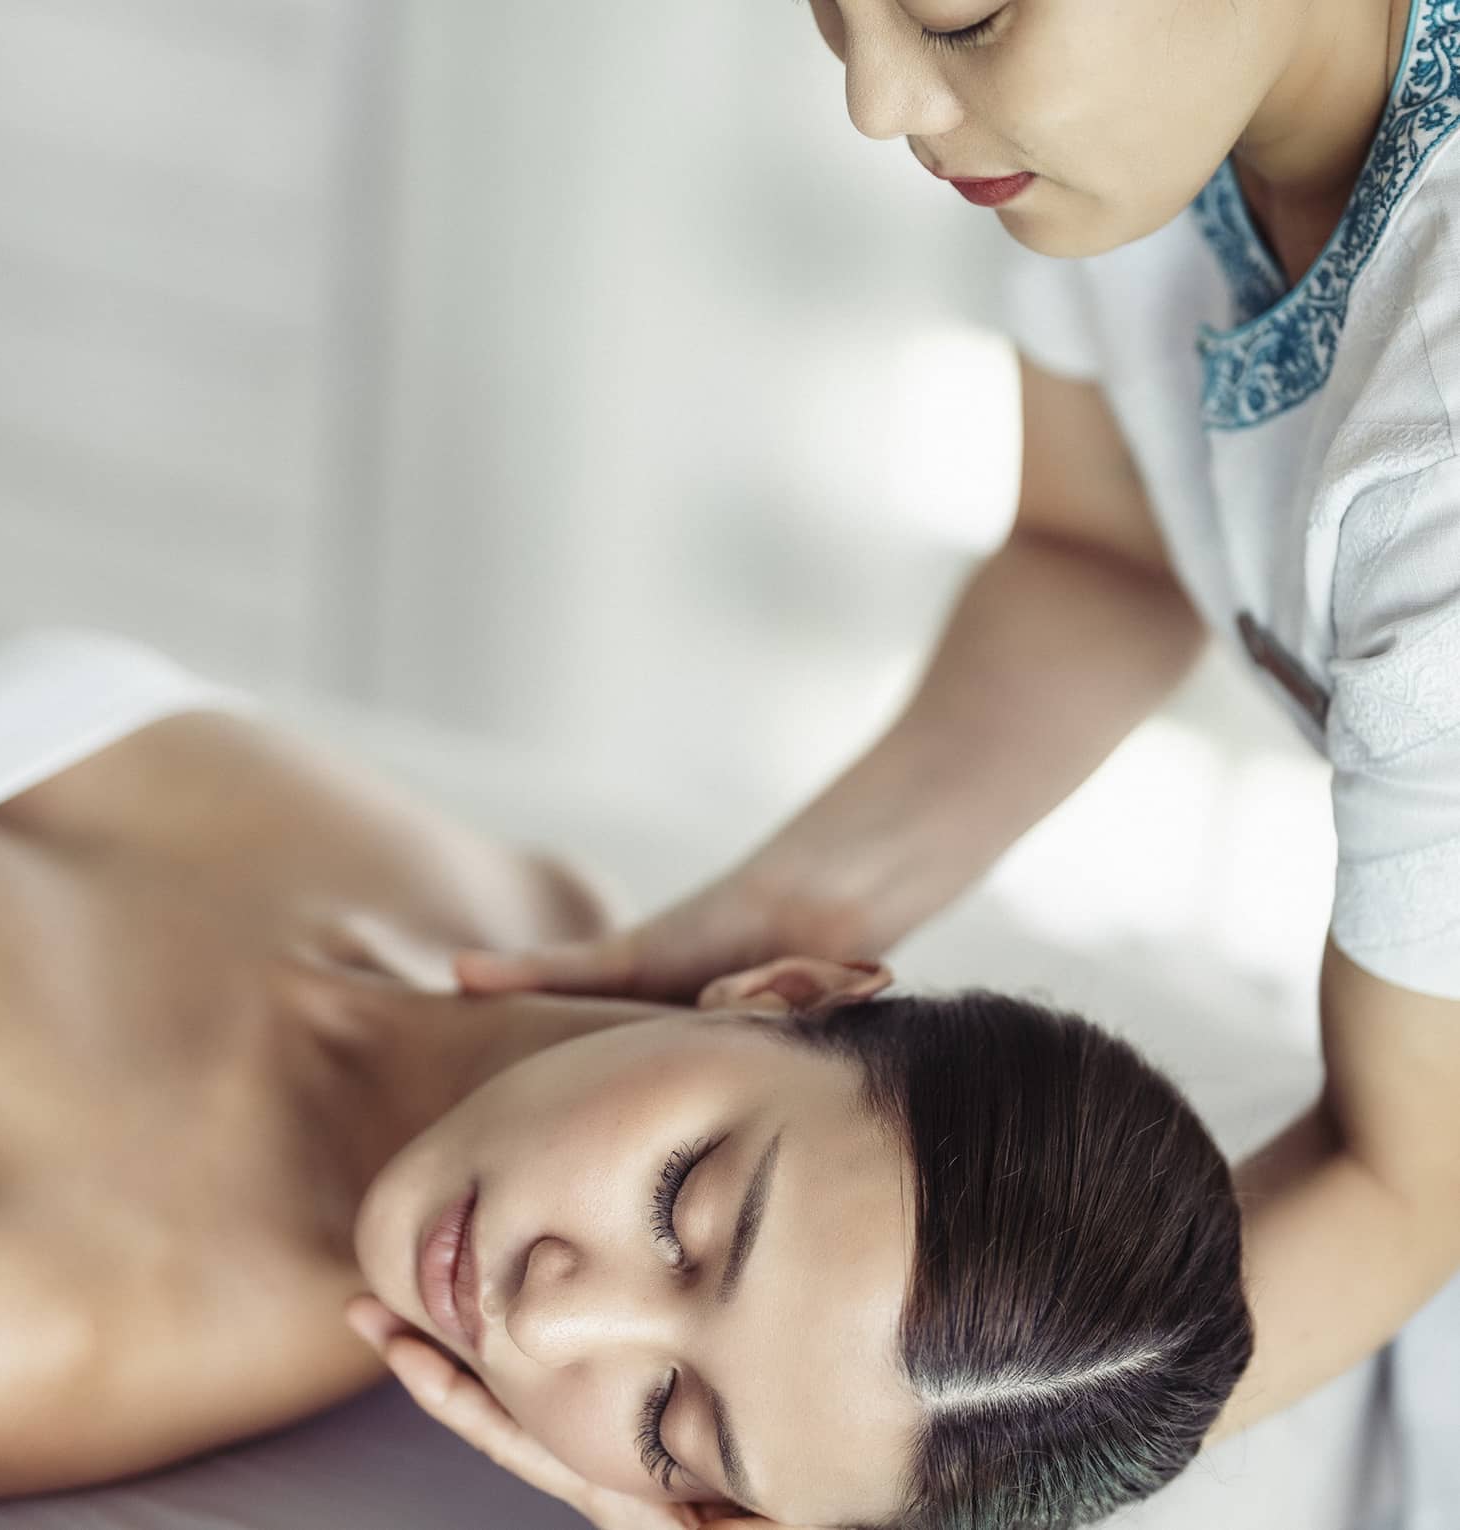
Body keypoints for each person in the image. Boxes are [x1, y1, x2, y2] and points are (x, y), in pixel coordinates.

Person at [427, 0, 1460, 1506]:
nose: (877, 99)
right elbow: (1096, 558)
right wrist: (793, 909)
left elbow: (1408, 1181)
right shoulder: (1128, 135)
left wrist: (871, 1486)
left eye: (961, 13)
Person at [0, 626, 1252, 1530]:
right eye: (682, 1203)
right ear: (789, 989)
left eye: (667, 1423)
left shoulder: (30, 1332)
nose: (547, 1320)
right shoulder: (530, 898)